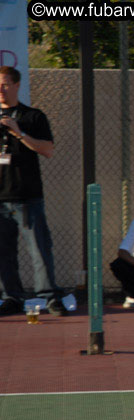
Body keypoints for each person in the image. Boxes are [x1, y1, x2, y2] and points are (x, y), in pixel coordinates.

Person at [0, 66, 66, 316]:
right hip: (0, 198)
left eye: (6, 84)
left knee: (39, 248)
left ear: (17, 85)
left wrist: (19, 132)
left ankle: (49, 297)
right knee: (3, 252)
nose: (1, 89)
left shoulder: (33, 117)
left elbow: (47, 149)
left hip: (27, 196)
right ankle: (11, 297)